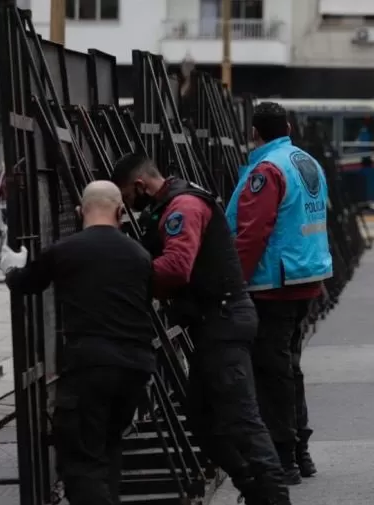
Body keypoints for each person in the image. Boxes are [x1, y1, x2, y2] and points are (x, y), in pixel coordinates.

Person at [111, 153, 290, 505]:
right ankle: (253, 487)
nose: (130, 207)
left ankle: (273, 496)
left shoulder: (184, 208)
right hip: (215, 324)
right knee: (202, 418)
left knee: (242, 418)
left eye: (129, 198)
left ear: (139, 186)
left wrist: (128, 267)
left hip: (223, 321)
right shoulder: (172, 204)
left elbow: (177, 267)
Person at [0, 181, 156, 505]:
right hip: (136, 366)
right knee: (109, 446)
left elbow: (27, 283)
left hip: (90, 366)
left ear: (80, 211)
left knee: (81, 460)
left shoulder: (66, 250)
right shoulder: (139, 254)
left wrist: (11, 269)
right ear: (121, 212)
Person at [225, 101, 333, 486]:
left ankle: (285, 456)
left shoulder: (267, 169)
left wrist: (232, 280)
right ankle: (299, 452)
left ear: (254, 132)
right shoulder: (305, 161)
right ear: (287, 125)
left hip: (274, 282)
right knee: (288, 368)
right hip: (305, 276)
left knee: (272, 374)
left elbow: (253, 233)